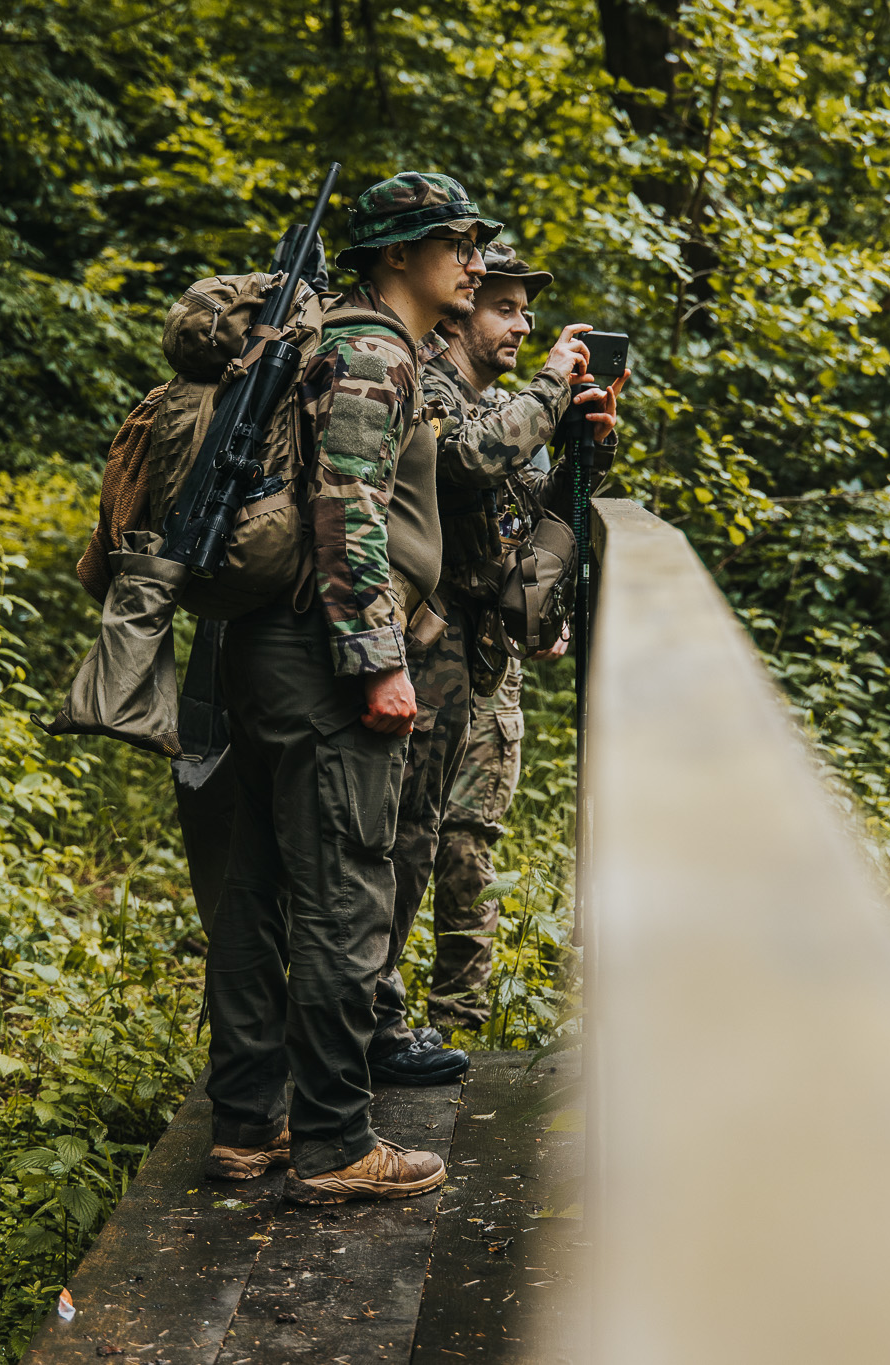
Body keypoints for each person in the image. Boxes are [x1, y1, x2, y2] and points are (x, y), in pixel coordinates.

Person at [199, 171, 492, 1205]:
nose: (471, 256)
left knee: (264, 890)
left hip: (273, 648)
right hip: (322, 658)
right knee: (344, 893)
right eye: (454, 239)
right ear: (398, 255)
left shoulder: (346, 338)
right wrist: (377, 662)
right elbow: (349, 506)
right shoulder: (371, 350)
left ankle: (249, 1123)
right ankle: (332, 1143)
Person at [367, 243, 622, 1072]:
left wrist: (587, 442)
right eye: (505, 308)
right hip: (416, 645)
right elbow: (469, 464)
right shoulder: (433, 387)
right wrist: (553, 388)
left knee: (426, 836)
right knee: (400, 842)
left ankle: (378, 1019)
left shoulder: (498, 401)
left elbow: (523, 514)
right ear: (460, 313)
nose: (524, 324)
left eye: (525, 310)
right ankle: (365, 1027)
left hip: (466, 655)